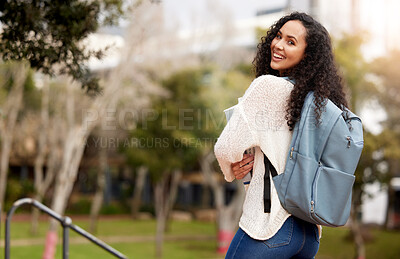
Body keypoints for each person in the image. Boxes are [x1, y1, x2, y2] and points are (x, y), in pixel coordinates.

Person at [214, 12, 348, 258]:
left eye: (291, 42)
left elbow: (226, 148)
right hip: (308, 233)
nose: (277, 45)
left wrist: (232, 168)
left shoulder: (267, 88)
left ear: (307, 55)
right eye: (278, 36)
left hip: (268, 227)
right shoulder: (321, 102)